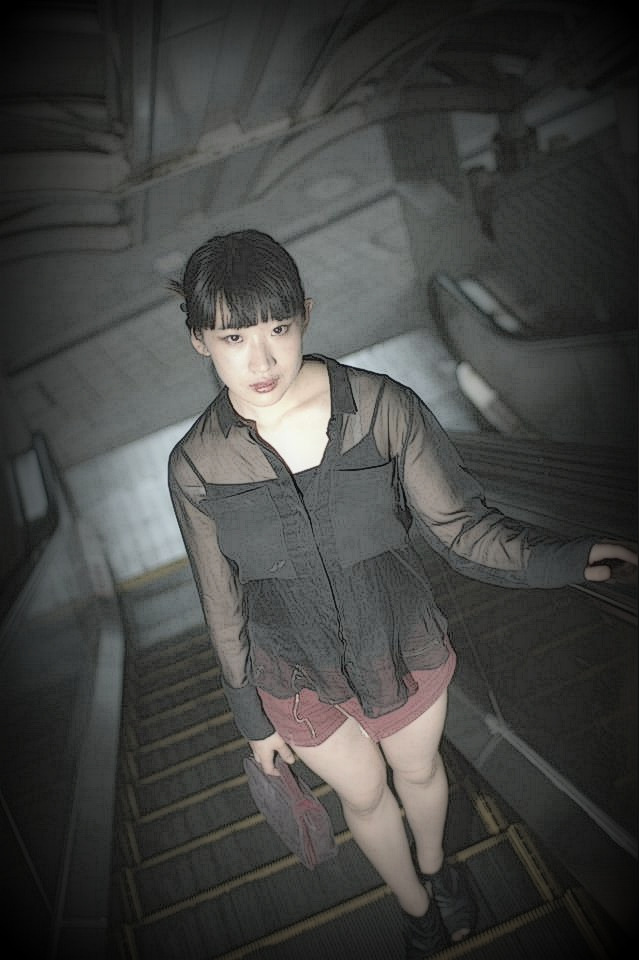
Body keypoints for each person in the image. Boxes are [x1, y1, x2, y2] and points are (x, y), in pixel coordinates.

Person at [167, 229, 637, 958]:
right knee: (362, 797)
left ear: (305, 317)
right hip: (293, 677)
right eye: (234, 338)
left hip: (399, 646)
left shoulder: (381, 407)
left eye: (278, 329)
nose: (261, 361)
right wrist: (251, 720)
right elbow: (220, 601)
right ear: (201, 340)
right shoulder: (196, 464)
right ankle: (417, 907)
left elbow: (462, 529)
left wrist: (571, 558)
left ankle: (435, 865)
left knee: (418, 771)